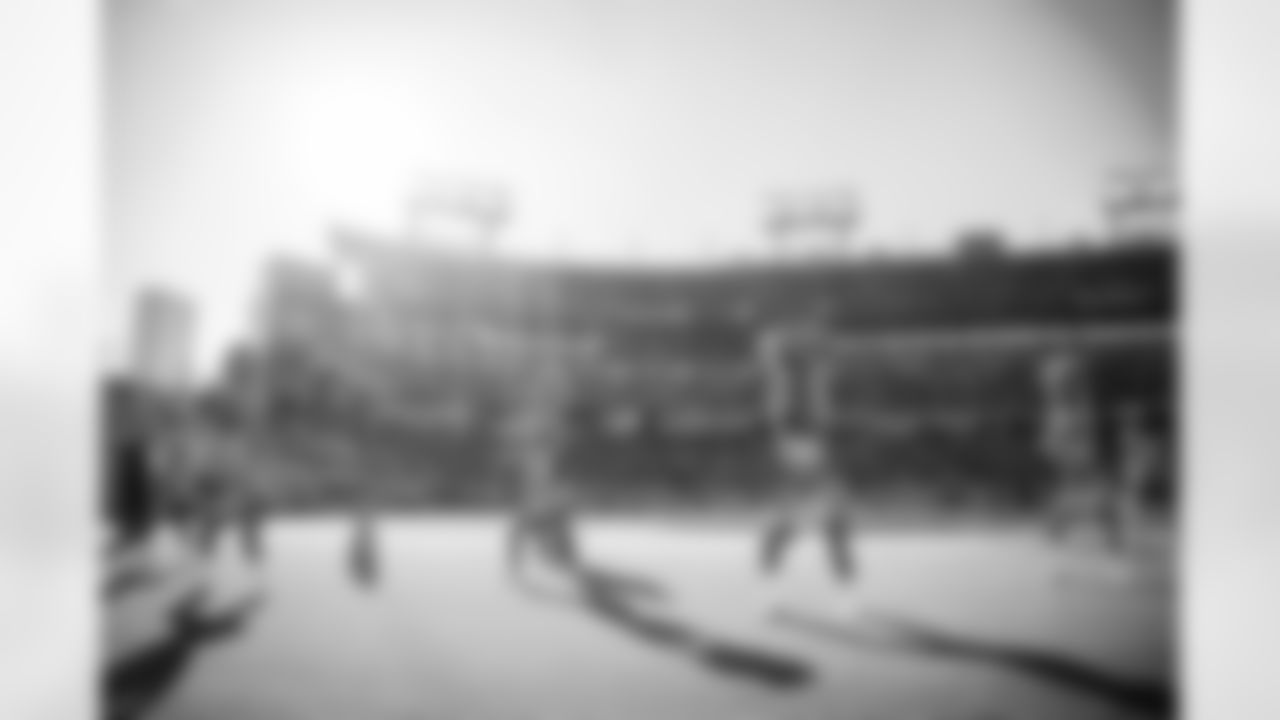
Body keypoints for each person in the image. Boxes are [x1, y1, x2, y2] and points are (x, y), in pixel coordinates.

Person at [755, 324, 858, 599]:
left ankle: (844, 590)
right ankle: (770, 583)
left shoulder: (807, 423)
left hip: (807, 464)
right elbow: (786, 394)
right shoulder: (797, 422)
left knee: (833, 530)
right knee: (780, 533)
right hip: (801, 461)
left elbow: (809, 393)